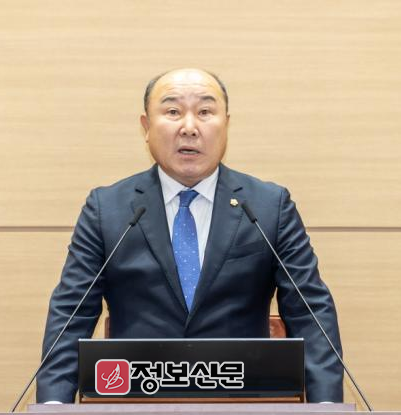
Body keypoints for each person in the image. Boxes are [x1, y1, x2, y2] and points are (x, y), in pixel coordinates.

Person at [36, 68, 343, 403]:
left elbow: (310, 313)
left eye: (205, 111)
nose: (189, 127)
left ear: (226, 125)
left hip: (243, 402)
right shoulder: (107, 209)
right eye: (172, 111)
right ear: (146, 127)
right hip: (137, 402)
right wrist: (53, 404)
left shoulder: (269, 206)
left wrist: (326, 405)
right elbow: (72, 314)